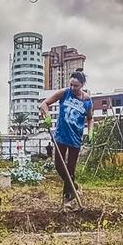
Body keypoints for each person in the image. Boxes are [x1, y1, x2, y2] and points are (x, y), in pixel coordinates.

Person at [40, 70, 92, 207]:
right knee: (59, 166)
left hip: (76, 138)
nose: (73, 88)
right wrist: (47, 116)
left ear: (82, 85)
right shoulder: (64, 93)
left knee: (71, 169)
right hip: (61, 136)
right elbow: (44, 104)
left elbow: (90, 118)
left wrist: (91, 131)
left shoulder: (87, 100)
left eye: (76, 86)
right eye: (71, 85)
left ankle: (67, 199)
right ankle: (74, 187)